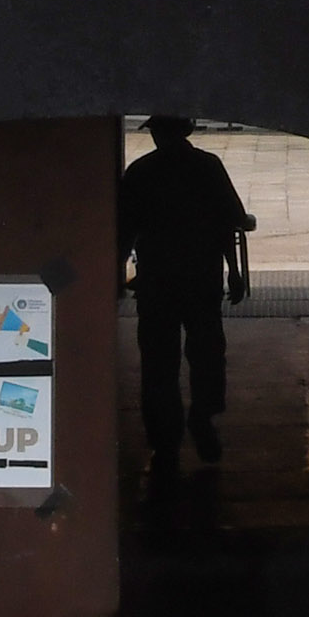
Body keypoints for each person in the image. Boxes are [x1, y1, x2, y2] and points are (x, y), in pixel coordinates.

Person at [116, 115, 254, 476]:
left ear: (158, 134)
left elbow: (123, 231)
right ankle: (203, 418)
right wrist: (235, 273)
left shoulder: (140, 171)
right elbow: (231, 221)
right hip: (201, 278)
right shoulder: (208, 167)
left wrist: (117, 275)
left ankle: (165, 441)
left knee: (158, 362)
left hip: (157, 281)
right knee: (207, 353)